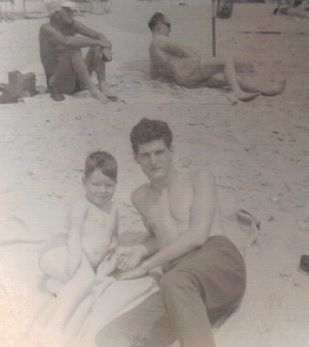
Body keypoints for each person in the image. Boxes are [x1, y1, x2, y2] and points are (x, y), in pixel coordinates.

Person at [96, 119, 247, 347]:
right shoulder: (140, 197)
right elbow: (164, 237)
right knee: (111, 336)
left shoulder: (199, 178)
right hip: (181, 289)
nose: (154, 161)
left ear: (171, 151)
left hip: (218, 262)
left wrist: (146, 266)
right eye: (145, 155)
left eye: (159, 152)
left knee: (175, 280)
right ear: (136, 158)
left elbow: (197, 235)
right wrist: (141, 248)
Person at [38, 151, 120, 339]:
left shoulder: (114, 209)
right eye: (95, 184)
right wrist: (75, 257)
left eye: (108, 185)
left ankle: (52, 284)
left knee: (88, 293)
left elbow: (114, 236)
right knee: (84, 280)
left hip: (84, 262)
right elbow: (74, 231)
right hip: (61, 250)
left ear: (116, 185)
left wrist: (113, 247)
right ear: (84, 182)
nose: (102, 190)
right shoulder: (81, 205)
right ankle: (52, 328)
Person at [148, 12, 286, 102]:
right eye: (168, 25)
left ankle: (268, 90)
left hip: (183, 78)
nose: (170, 29)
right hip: (186, 69)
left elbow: (154, 74)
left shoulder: (152, 48)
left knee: (229, 78)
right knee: (226, 61)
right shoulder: (160, 39)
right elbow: (183, 50)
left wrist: (173, 78)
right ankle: (237, 93)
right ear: (160, 26)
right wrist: (204, 61)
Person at [39, 1, 115, 103]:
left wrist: (104, 47)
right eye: (68, 11)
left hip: (77, 81)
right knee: (73, 50)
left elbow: (98, 35)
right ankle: (93, 90)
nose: (73, 14)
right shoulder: (46, 29)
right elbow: (67, 41)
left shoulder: (72, 24)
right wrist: (101, 43)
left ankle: (103, 85)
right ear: (57, 14)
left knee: (96, 47)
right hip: (59, 83)